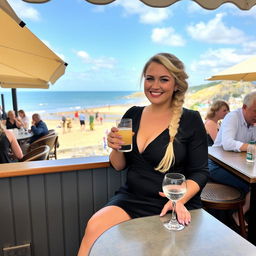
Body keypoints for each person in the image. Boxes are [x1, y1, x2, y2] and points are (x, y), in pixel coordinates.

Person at [77, 53, 209, 255]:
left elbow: (200, 172)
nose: (155, 85)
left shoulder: (191, 119)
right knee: (94, 227)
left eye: (164, 79)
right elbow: (118, 165)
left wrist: (178, 200)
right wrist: (115, 147)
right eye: (150, 78)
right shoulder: (132, 114)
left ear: (176, 85)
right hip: (132, 198)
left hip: (172, 203)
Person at [210, 91, 256, 226]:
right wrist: (251, 147)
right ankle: (239, 214)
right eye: (255, 111)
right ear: (244, 108)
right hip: (216, 164)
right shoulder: (232, 117)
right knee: (251, 186)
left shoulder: (252, 123)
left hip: (237, 165)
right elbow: (228, 143)